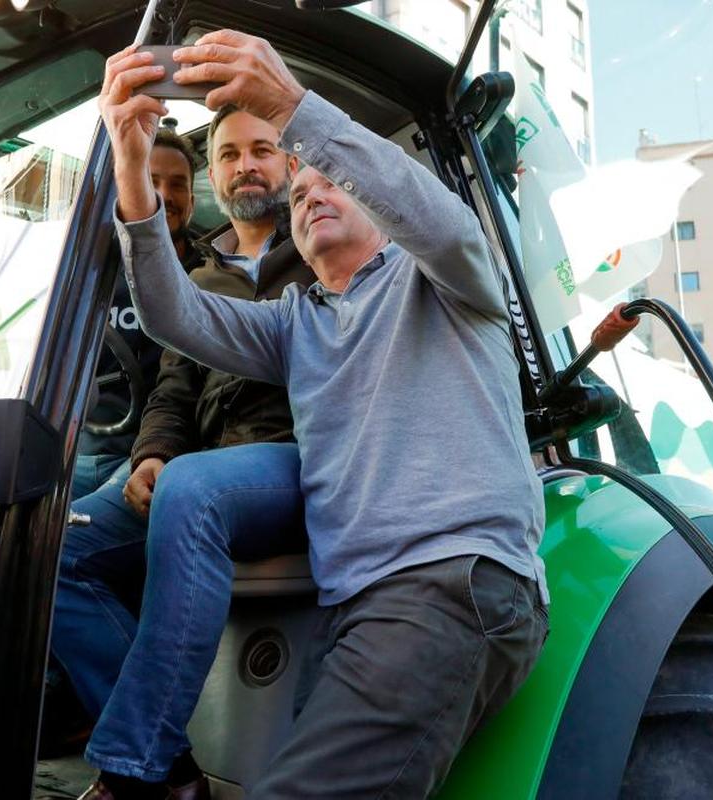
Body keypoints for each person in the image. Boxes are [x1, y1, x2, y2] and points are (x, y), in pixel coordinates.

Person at [99, 29, 550, 798]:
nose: (309, 194)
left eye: (328, 184)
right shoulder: (297, 322)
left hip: (446, 583)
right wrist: (132, 172)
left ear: (377, 204)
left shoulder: (444, 278)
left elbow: (434, 220)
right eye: (299, 195)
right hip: (351, 607)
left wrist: (294, 108)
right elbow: (176, 316)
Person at [50, 108, 315, 800]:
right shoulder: (194, 277)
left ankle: (134, 766)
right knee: (52, 544)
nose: (246, 165)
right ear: (216, 176)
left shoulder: (320, 246)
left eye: (263, 150)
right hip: (205, 463)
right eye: (229, 155)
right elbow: (171, 389)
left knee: (194, 490)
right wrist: (151, 456)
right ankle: (169, 766)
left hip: (298, 461)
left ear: (290, 164)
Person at [72, 126, 203, 499]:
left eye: (178, 184)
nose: (164, 195)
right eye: (151, 180)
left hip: (155, 459)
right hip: (80, 451)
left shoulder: (209, 278)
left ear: (192, 199)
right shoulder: (89, 272)